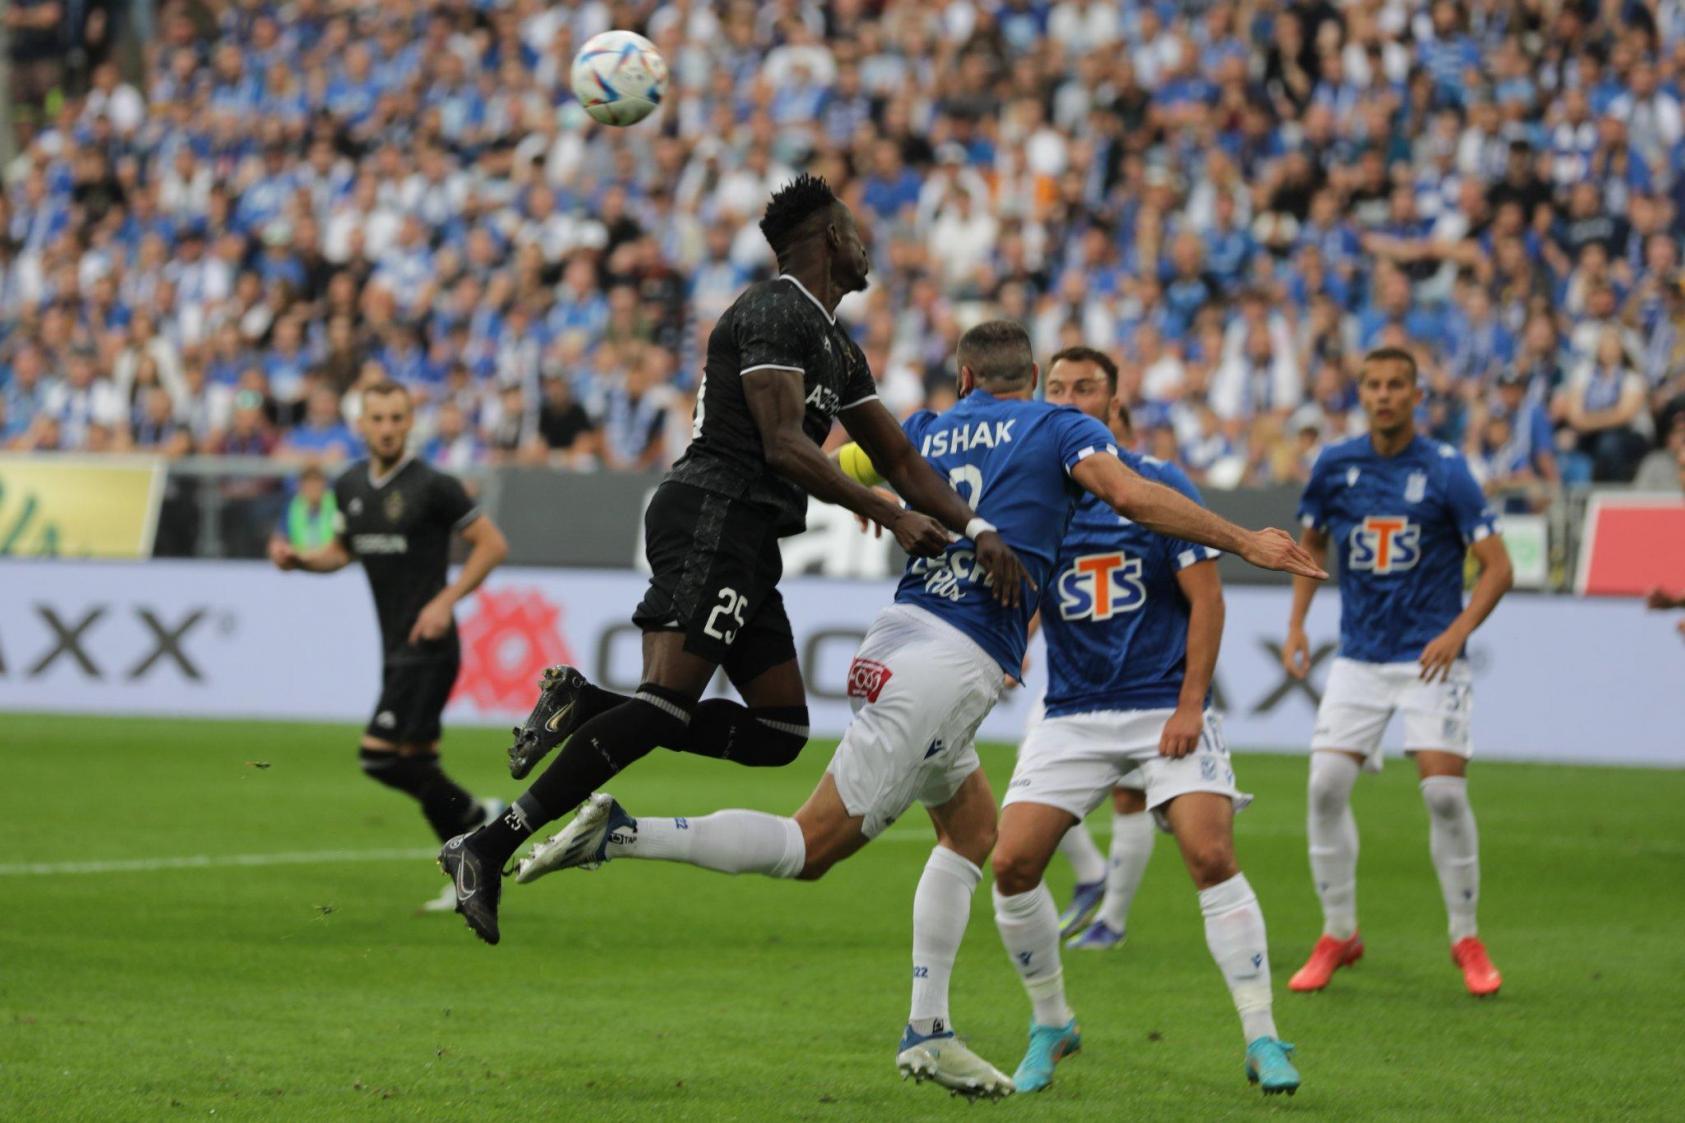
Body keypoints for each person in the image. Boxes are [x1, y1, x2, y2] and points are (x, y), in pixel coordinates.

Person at [513, 320, 1324, 1099]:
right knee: (809, 846)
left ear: (964, 377)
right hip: (947, 664)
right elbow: (1131, 496)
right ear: (1033, 380)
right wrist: (1243, 540)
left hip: (901, 637)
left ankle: (928, 1027)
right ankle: (623, 832)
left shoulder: (926, 430)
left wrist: (874, 504)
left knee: (970, 832)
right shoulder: (1059, 430)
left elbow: (836, 463)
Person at [436, 176, 1032, 946]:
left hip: (749, 535)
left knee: (779, 730)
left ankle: (587, 705)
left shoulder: (838, 348)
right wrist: (887, 512)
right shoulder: (774, 309)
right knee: (664, 704)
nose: (866, 246)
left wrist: (978, 528)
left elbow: (904, 461)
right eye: (854, 233)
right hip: (710, 512)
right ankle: (488, 845)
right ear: (828, 239)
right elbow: (783, 444)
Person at [989, 346, 1298, 1096]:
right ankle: (1051, 1022)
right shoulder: (1034, 494)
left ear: (1113, 402)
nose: (1068, 399)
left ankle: (1262, 1035)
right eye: (1056, 388)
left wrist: (1191, 703)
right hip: (1072, 712)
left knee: (1210, 854)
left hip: (1162, 703)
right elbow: (1023, 586)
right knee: (1011, 864)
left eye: (1084, 388)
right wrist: (1012, 642)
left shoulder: (1159, 486)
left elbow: (1207, 601)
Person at [1282, 347, 1514, 996]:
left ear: (1416, 395)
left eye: (1395, 385)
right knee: (1324, 787)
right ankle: (1338, 932)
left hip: (1428, 657)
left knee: (1443, 794)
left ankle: (1465, 937)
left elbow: (1498, 567)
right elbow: (1312, 542)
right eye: (1373, 385)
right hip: (1359, 656)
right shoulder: (1334, 464)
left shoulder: (1446, 469)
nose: (1383, 395)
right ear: (1360, 393)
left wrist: (1456, 632)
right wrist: (1297, 622)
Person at [268, 381, 510, 912]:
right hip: (394, 648)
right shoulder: (350, 485)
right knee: (419, 763)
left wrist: (445, 601)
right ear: (361, 425)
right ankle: (471, 866)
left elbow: (492, 545)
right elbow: (341, 551)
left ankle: (478, 818)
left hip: (429, 647)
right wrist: (301, 561)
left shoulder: (434, 486)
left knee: (378, 758)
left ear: (409, 422)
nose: (387, 428)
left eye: (397, 418)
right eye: (377, 418)